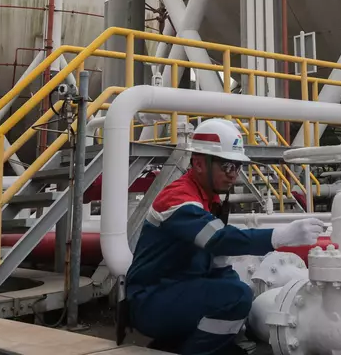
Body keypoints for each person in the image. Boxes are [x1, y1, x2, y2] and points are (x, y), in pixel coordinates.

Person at [124, 118, 325, 355]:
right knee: (235, 297)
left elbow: (214, 256)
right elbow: (218, 239)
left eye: (237, 167)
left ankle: (176, 346)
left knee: (236, 288)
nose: (234, 175)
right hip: (150, 299)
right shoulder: (179, 199)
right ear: (198, 164)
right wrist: (280, 236)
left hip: (174, 289)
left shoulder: (209, 197)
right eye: (227, 166)